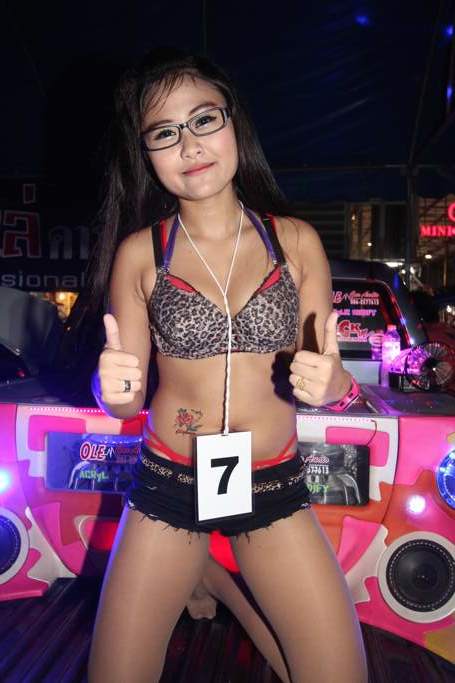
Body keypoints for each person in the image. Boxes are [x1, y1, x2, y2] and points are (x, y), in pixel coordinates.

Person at [87, 47, 368, 683]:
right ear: (145, 153)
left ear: (233, 120)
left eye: (203, 119)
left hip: (274, 486)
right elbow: (125, 398)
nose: (189, 145)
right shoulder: (139, 254)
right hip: (170, 484)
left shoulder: (295, 242)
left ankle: (215, 578)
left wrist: (337, 384)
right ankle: (202, 567)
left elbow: (328, 378)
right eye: (164, 132)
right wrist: (113, 392)